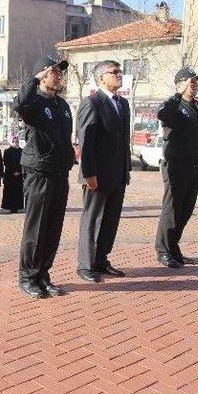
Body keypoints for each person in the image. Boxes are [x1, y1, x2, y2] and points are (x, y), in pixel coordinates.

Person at [13, 56, 75, 298]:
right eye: (54, 71)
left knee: (53, 228)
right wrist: (34, 79)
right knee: (36, 228)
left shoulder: (62, 105)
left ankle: (43, 275)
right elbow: (20, 104)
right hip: (39, 173)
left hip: (59, 172)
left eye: (60, 72)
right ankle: (28, 276)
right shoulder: (34, 102)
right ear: (42, 75)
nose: (59, 75)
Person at [77, 60, 131, 283]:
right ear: (101, 78)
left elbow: (123, 141)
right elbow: (86, 141)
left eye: (120, 71)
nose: (120, 75)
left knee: (110, 220)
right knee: (93, 220)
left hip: (117, 174)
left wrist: (126, 170)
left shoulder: (123, 104)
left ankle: (101, 259)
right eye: (114, 72)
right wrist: (89, 173)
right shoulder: (92, 103)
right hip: (97, 175)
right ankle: (86, 264)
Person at [155, 67, 198, 268]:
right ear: (179, 84)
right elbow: (163, 114)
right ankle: (163, 250)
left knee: (185, 210)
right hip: (176, 166)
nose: (194, 84)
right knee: (172, 210)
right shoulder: (174, 106)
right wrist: (177, 94)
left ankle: (173, 248)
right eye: (189, 81)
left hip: (194, 166)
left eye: (196, 81)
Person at [2, 136, 24, 213]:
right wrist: (13, 171)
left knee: (18, 192)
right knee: (10, 192)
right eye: (13, 141)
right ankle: (11, 207)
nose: (15, 143)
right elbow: (6, 162)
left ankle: (18, 207)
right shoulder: (7, 151)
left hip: (19, 175)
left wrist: (19, 171)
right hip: (10, 175)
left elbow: (23, 163)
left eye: (16, 141)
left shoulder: (22, 151)